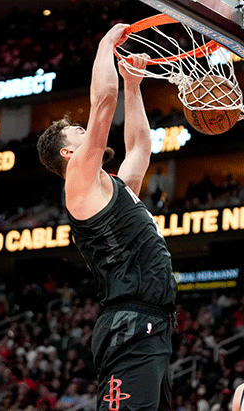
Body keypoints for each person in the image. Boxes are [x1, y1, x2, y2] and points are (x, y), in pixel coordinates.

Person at [37, 23, 177, 411]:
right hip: (129, 323)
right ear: (68, 154)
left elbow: (140, 147)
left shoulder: (113, 187)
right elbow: (103, 103)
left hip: (153, 323)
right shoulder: (79, 181)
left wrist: (134, 86)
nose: (87, 131)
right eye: (78, 132)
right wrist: (105, 44)